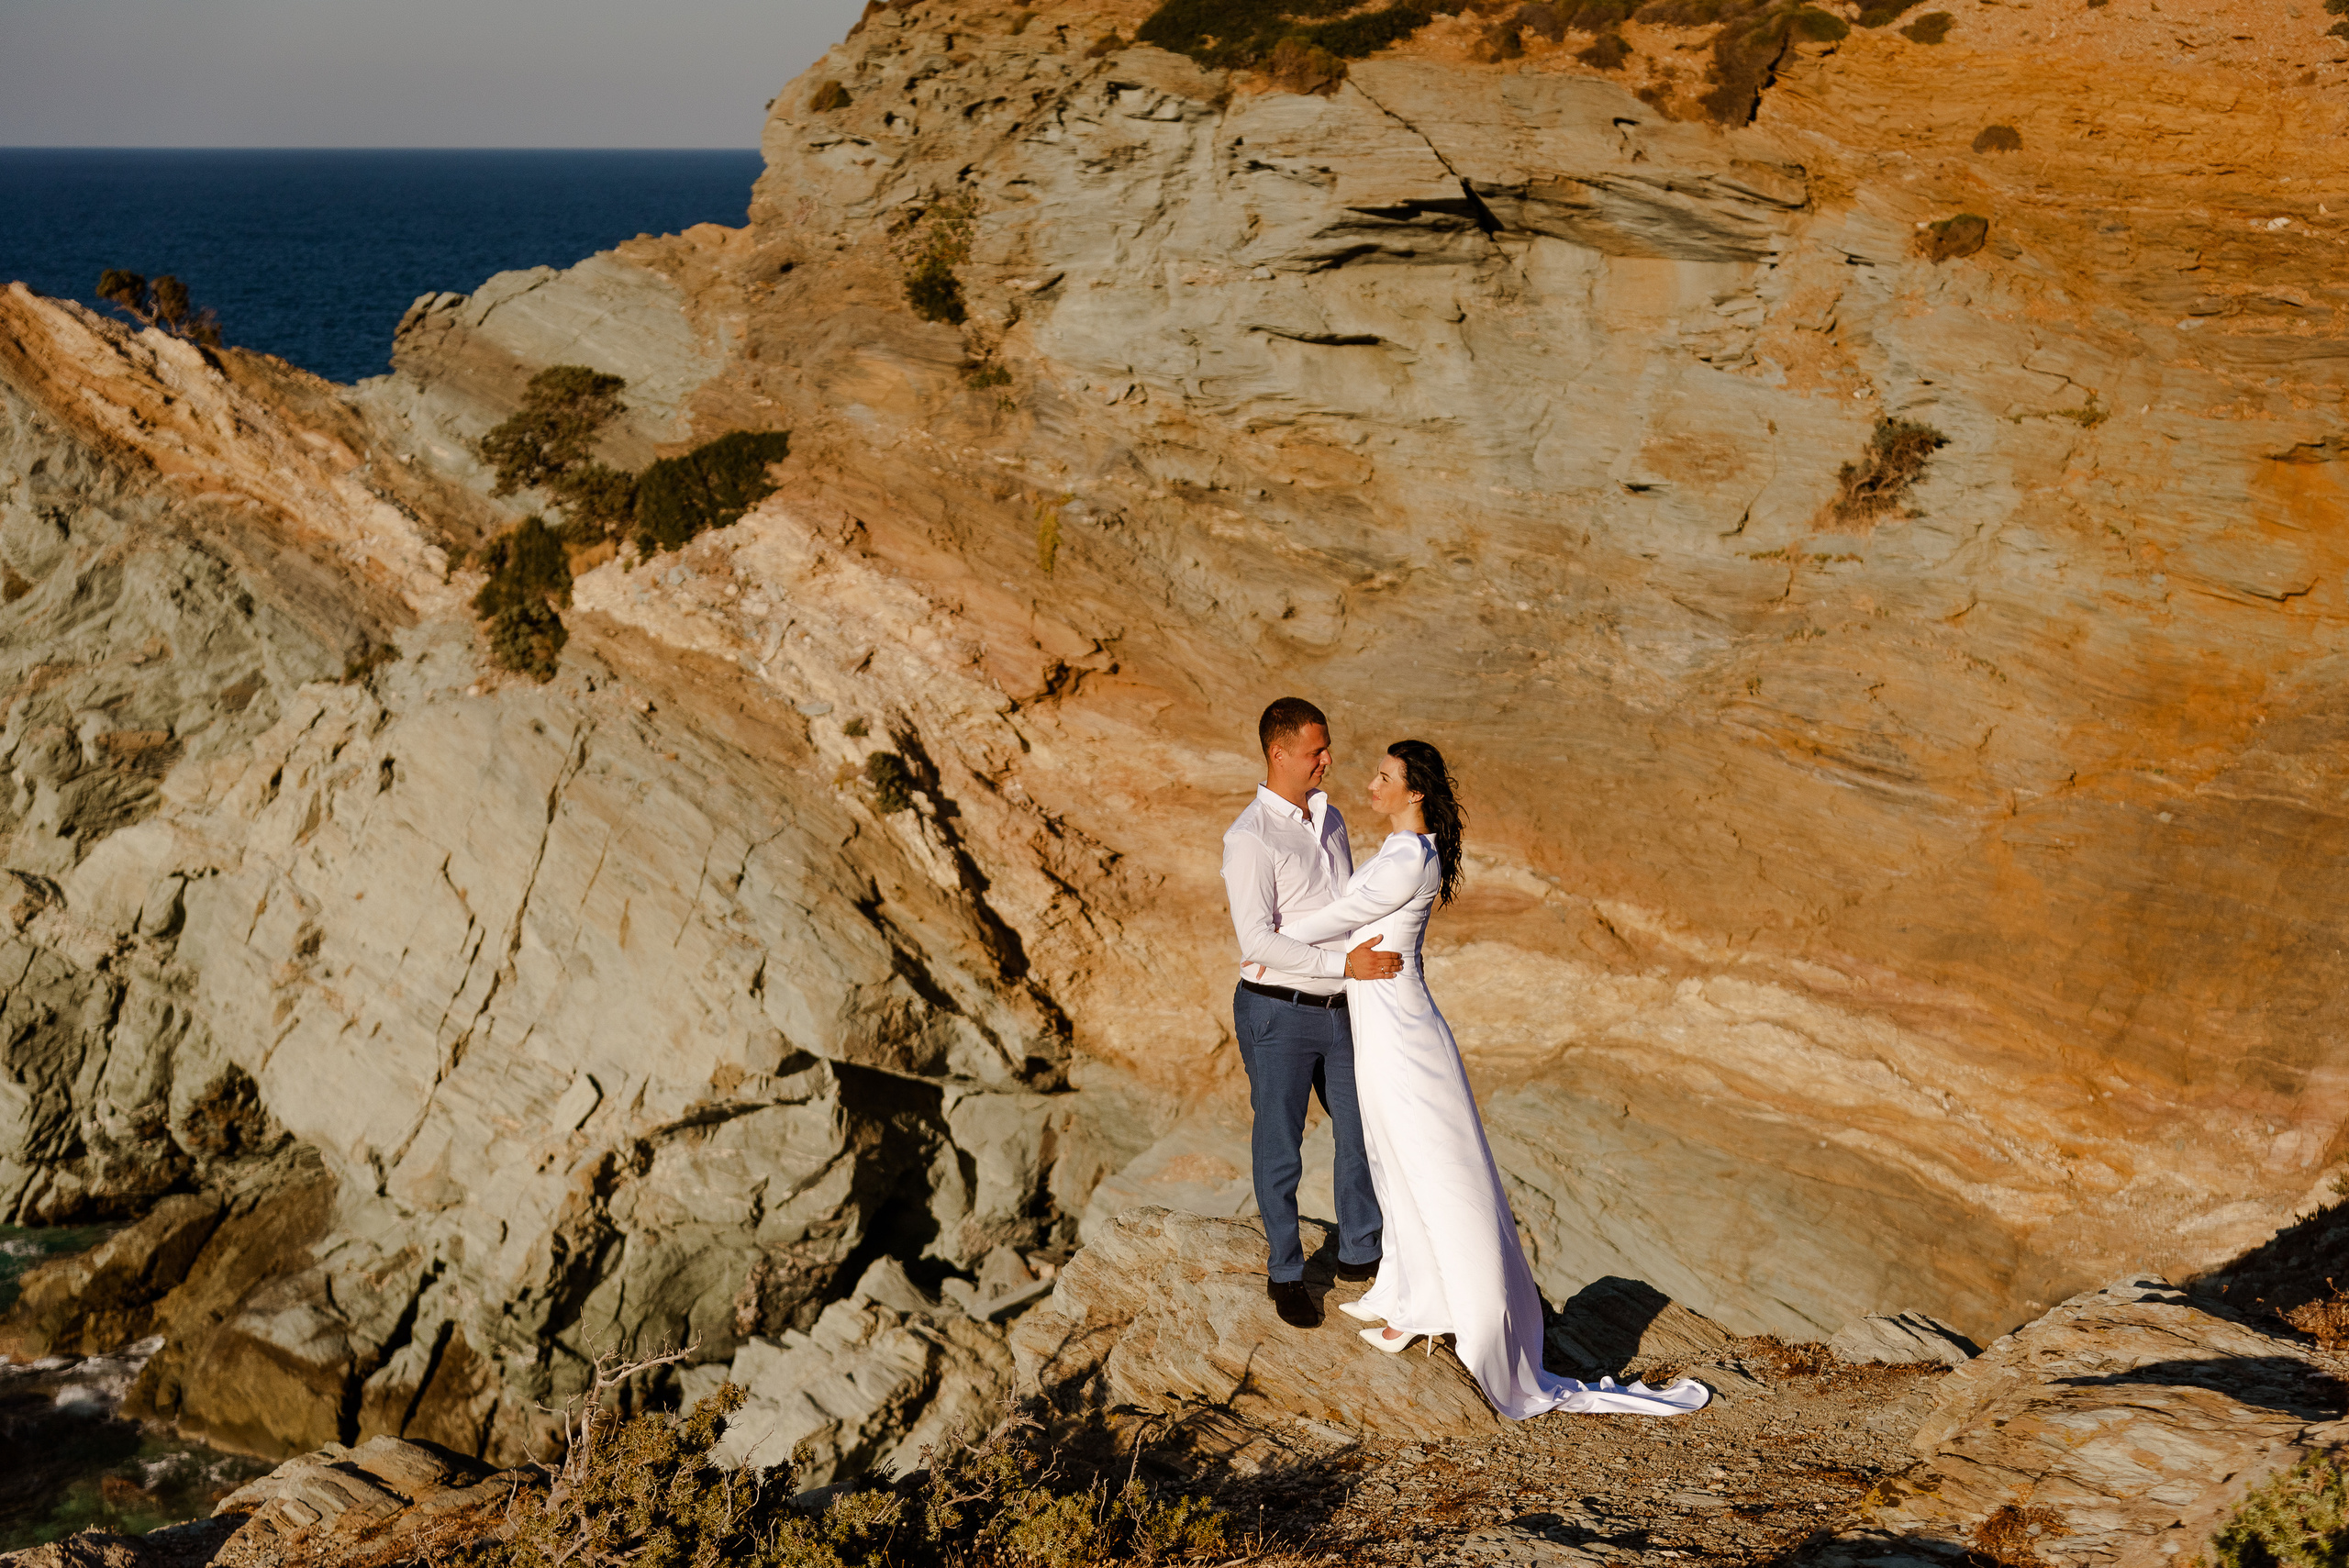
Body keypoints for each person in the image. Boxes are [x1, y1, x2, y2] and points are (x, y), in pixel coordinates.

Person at [1275, 740, 1710, 1418]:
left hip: (1403, 1033)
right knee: (1393, 1158)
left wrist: (1277, 927)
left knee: (1430, 1163)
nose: (1370, 784)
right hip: (1384, 1022)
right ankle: (1408, 1293)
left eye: (1383, 777)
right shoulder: (1405, 852)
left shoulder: (1405, 857)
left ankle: (1458, 1310)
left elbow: (1332, 922)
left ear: (1414, 790)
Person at [1221, 697, 1397, 1329]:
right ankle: (1286, 1273)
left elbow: (1348, 910)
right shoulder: (1249, 838)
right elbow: (1257, 941)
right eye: (1315, 750)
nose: (1328, 759)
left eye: (1327, 748)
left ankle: (1359, 1255)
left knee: (1362, 1129)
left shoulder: (1333, 820)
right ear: (1278, 751)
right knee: (1280, 1146)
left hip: (1342, 1008)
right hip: (1277, 1012)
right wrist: (1341, 967)